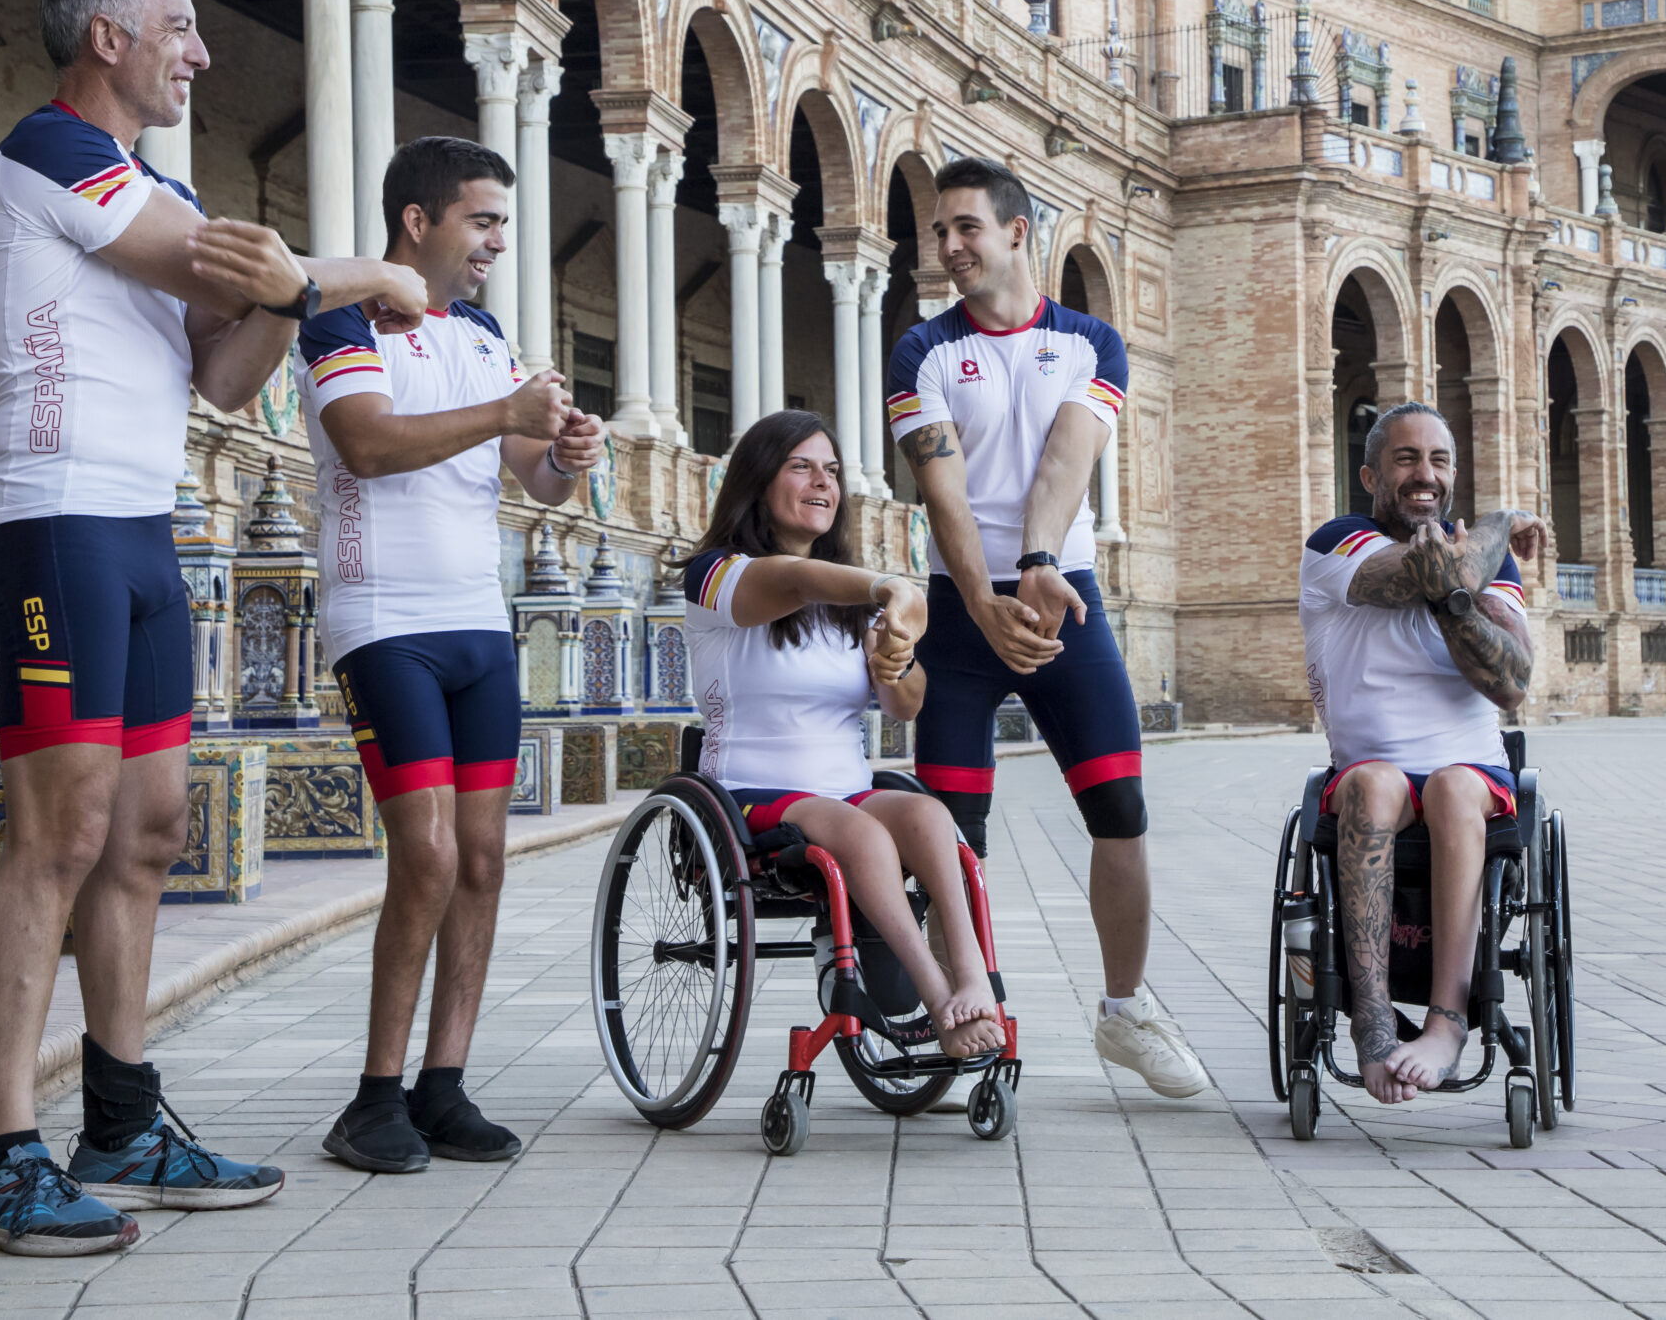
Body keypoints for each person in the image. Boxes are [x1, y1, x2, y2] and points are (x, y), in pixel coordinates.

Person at [0, 0, 430, 1255]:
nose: (200, 50)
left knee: (151, 822)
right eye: (178, 25)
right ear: (106, 34)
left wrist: (286, 293)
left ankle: (120, 1114)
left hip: (143, 528)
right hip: (53, 524)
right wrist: (359, 274)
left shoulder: (158, 185)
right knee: (59, 826)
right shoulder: (54, 150)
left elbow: (225, 374)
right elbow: (220, 272)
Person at [303, 137, 607, 1173]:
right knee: (425, 853)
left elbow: (536, 480)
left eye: (500, 223)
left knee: (481, 858)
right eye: (481, 220)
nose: (496, 242)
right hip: (384, 621)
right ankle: (371, 1098)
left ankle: (444, 1084)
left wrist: (563, 454)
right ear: (418, 221)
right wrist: (504, 412)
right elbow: (369, 444)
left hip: (479, 623)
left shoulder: (480, 333)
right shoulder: (342, 321)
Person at [884, 155, 1206, 1100]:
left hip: (1062, 595)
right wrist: (984, 601)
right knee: (954, 835)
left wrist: (1034, 569)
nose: (947, 247)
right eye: (939, 231)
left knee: (1121, 811)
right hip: (958, 611)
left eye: (965, 228)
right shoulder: (924, 351)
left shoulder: (1091, 341)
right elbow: (939, 491)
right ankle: (965, 1003)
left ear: (1018, 232)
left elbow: (1070, 459)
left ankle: (1125, 1009)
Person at [676, 408, 1005, 1057]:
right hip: (745, 795)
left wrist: (896, 660)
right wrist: (889, 587)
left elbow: (904, 704)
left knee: (931, 817)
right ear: (759, 479)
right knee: (859, 831)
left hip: (848, 790)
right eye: (800, 466)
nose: (821, 481)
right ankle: (939, 996)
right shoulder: (715, 575)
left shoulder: (854, 604)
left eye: (831, 470)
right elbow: (791, 580)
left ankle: (975, 977)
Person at [1298, 403, 1539, 1103]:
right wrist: (1501, 522)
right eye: (1406, 459)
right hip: (1366, 772)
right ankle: (1372, 1026)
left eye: (1438, 460)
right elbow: (1413, 572)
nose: (1423, 475)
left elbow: (1511, 683)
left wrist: (1459, 596)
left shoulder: (1493, 566)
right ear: (1372, 473)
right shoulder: (1337, 543)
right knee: (1375, 785)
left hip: (1469, 773)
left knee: (1454, 789)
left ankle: (1446, 1021)